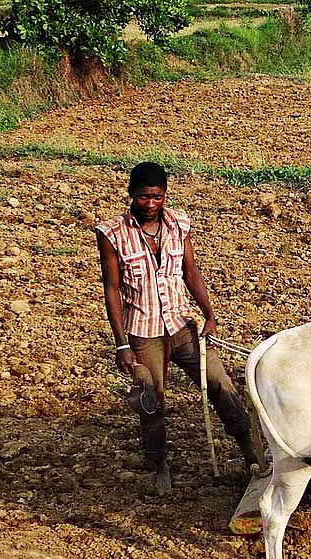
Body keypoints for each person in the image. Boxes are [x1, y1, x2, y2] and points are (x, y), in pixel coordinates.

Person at [94, 162, 259, 495]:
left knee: (220, 382)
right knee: (152, 399)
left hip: (181, 323)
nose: (150, 204)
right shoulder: (112, 234)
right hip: (143, 330)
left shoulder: (179, 225)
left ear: (165, 195)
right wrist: (121, 344)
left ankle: (251, 454)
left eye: (156, 197)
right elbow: (111, 288)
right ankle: (159, 465)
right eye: (143, 197)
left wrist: (209, 314)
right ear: (131, 194)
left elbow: (190, 272)